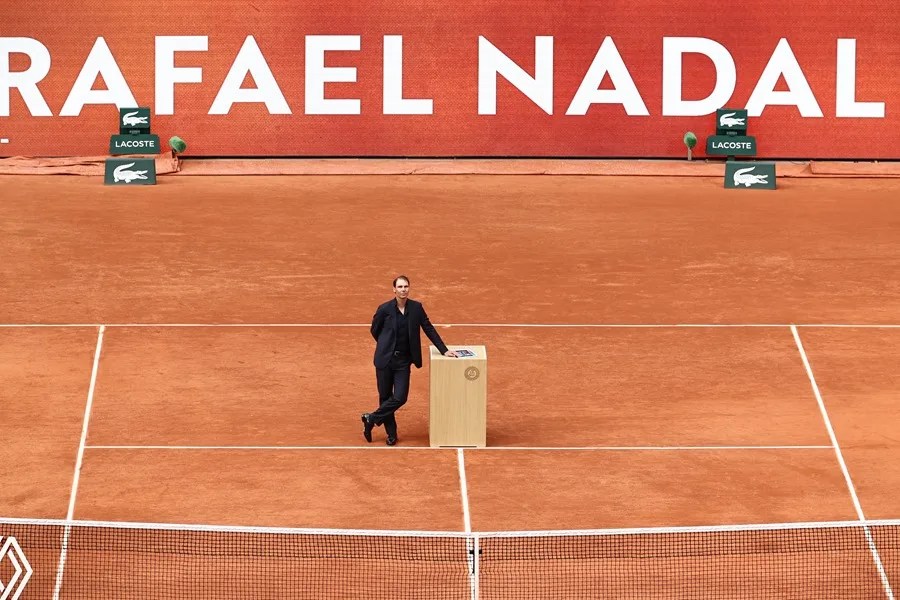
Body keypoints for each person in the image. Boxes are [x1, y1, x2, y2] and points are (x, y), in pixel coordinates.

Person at [362, 275, 457, 445]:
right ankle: (391, 435)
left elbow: (428, 328)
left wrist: (444, 350)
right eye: (400, 287)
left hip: (404, 362)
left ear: (409, 288)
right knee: (385, 397)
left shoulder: (416, 308)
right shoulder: (384, 309)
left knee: (400, 397)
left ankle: (371, 418)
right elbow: (375, 330)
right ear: (394, 289)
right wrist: (386, 345)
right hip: (385, 360)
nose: (403, 289)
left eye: (406, 286)